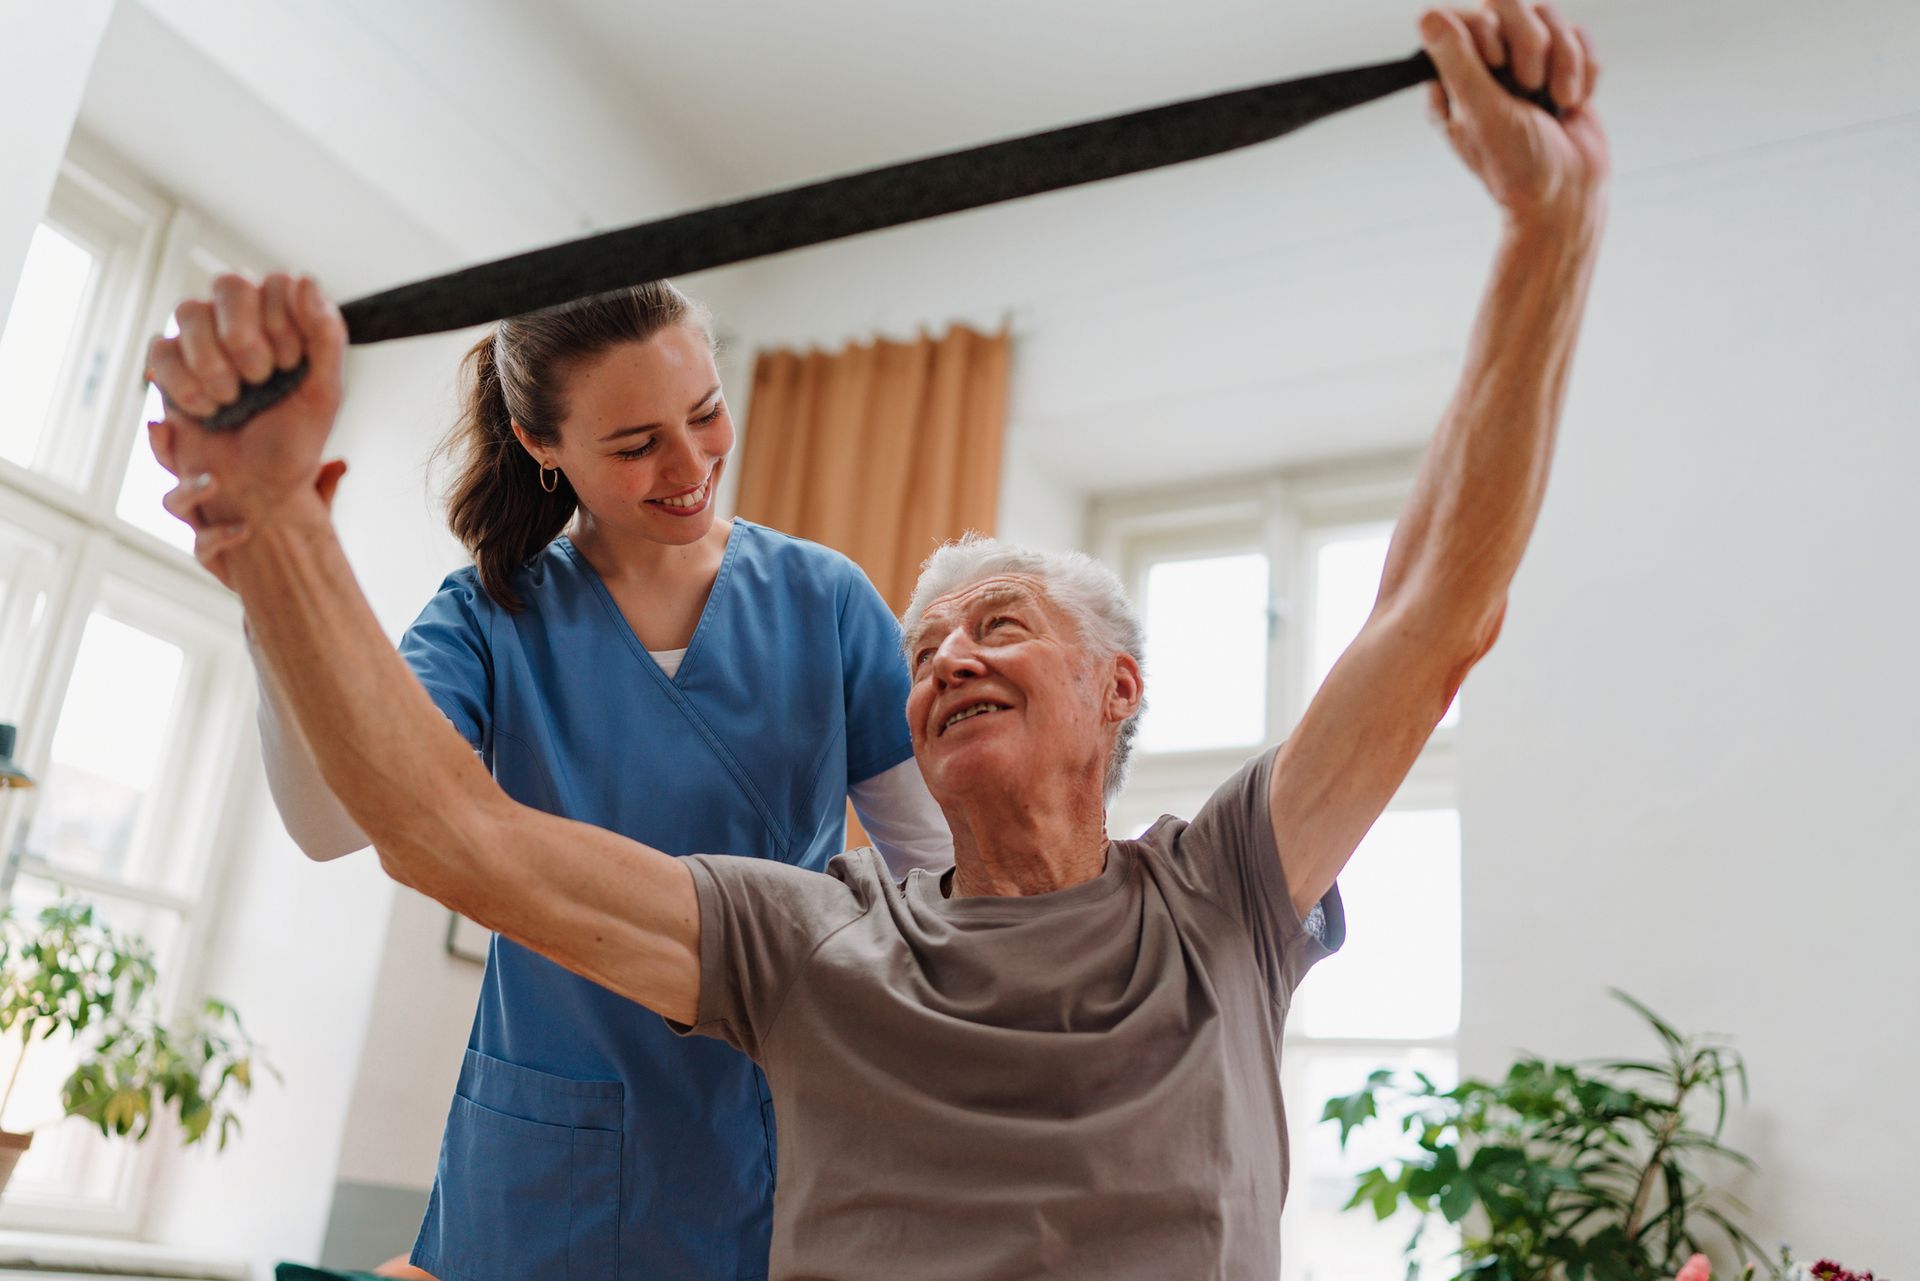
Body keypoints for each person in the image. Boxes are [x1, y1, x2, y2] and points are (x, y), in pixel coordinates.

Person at [150, 3, 1606, 1276]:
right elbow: (444, 830)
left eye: (1003, 625)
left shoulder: (1215, 895)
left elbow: (1431, 623)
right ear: (547, 448)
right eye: (926, 650)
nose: (946, 657)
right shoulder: (820, 945)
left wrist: (1549, 233)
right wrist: (276, 528)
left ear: (1121, 691)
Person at [150, 279, 951, 1278]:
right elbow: (333, 823)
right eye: (633, 445)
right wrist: (273, 602)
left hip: (769, 1134)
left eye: (704, 413)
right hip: (541, 1159)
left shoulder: (826, 603)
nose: (691, 463)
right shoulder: (492, 615)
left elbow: (945, 880)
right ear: (542, 443)